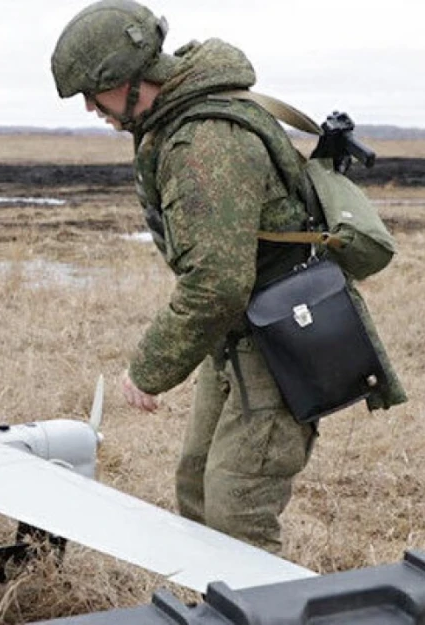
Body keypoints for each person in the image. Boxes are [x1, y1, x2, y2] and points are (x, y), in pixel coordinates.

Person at [50, 0, 404, 551]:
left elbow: (216, 283)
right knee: (196, 488)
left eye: (93, 98)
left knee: (236, 512)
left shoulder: (202, 142)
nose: (94, 110)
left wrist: (147, 370)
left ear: (123, 79)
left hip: (282, 340)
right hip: (243, 335)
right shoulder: (187, 116)